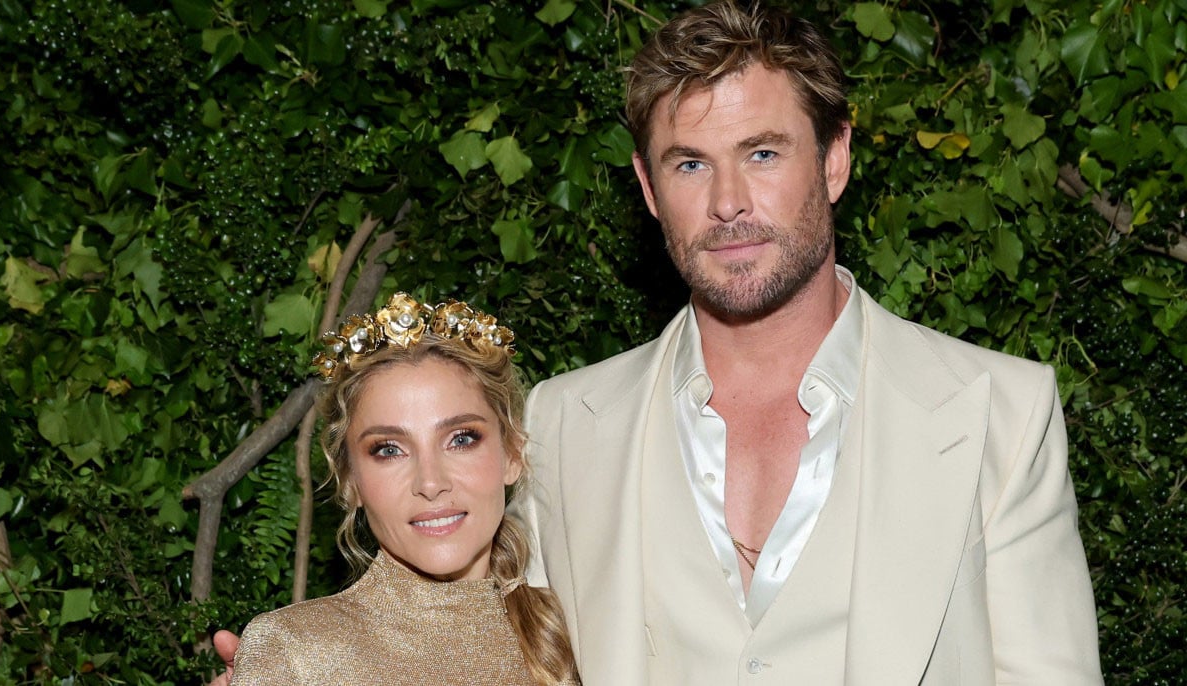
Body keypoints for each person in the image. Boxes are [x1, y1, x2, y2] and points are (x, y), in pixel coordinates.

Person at [215, 2, 1103, 684]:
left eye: (762, 153)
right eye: (690, 163)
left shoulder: (1000, 412)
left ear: (834, 160)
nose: (728, 202)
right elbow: (476, 638)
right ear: (647, 186)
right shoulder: (566, 421)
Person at [226, 292, 578, 685]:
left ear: (512, 454)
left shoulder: (573, 636)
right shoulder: (295, 653)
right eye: (389, 450)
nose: (431, 483)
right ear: (351, 482)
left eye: (461, 439)